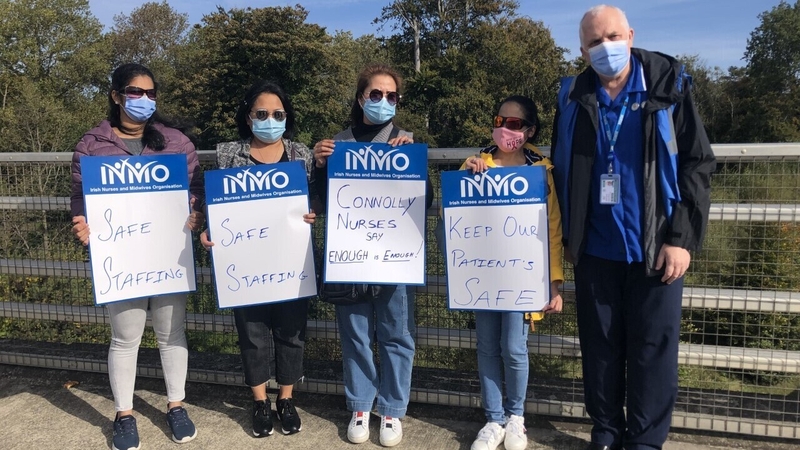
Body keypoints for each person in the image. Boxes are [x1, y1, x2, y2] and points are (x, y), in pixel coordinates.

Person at [551, 5, 716, 450]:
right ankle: (605, 431)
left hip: (657, 245)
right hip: (595, 248)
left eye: (613, 36)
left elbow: (697, 164)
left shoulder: (668, 83)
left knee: (652, 350)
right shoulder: (571, 96)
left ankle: (644, 441)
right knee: (600, 348)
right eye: (595, 41)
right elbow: (556, 170)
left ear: (630, 34)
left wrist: (681, 238)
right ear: (582, 50)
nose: (606, 47)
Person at [70, 63, 204, 450]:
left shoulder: (176, 142)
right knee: (125, 339)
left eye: (150, 93)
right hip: (122, 259)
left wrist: (195, 210)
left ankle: (176, 404)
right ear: (115, 95)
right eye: (134, 92)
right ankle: (124, 414)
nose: (143, 100)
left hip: (167, 255)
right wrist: (80, 223)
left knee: (172, 333)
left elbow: (195, 188)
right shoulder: (91, 144)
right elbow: (80, 199)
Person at [312, 63, 432, 448]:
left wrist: (414, 163)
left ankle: (393, 409)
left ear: (398, 101)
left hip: (395, 258)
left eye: (391, 95)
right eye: (375, 94)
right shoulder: (339, 143)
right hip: (351, 256)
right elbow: (321, 204)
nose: (383, 101)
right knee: (356, 333)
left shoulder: (405, 142)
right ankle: (361, 405)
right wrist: (318, 166)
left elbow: (425, 202)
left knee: (398, 334)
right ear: (361, 97)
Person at [199, 80, 316, 437]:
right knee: (251, 334)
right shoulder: (227, 155)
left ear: (287, 116)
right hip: (245, 264)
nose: (270, 119)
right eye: (261, 114)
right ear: (248, 117)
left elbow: (318, 201)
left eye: (277, 114)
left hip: (291, 263)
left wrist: (312, 214)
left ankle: (286, 399)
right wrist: (208, 230)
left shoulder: (302, 155)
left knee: (291, 332)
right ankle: (259, 401)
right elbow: (215, 206)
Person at [460, 96, 564, 450]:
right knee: (487, 347)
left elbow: (552, 229)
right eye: (500, 119)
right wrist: (466, 173)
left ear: (530, 130)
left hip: (523, 278)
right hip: (482, 277)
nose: (506, 127)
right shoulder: (476, 163)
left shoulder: (542, 170)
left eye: (515, 123)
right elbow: (455, 216)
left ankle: (516, 417)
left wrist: (555, 283)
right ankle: (493, 419)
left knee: (514, 348)